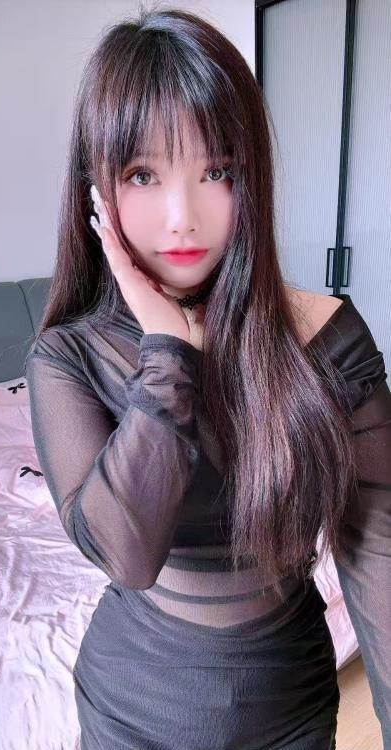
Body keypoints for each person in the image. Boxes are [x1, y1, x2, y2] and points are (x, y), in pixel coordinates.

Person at [25, 5, 391, 750]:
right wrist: (168, 349)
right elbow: (127, 553)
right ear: (96, 189)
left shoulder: (327, 335)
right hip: (135, 710)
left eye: (216, 171)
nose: (181, 217)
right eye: (143, 174)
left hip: (291, 702)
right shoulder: (67, 357)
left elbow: (378, 550)